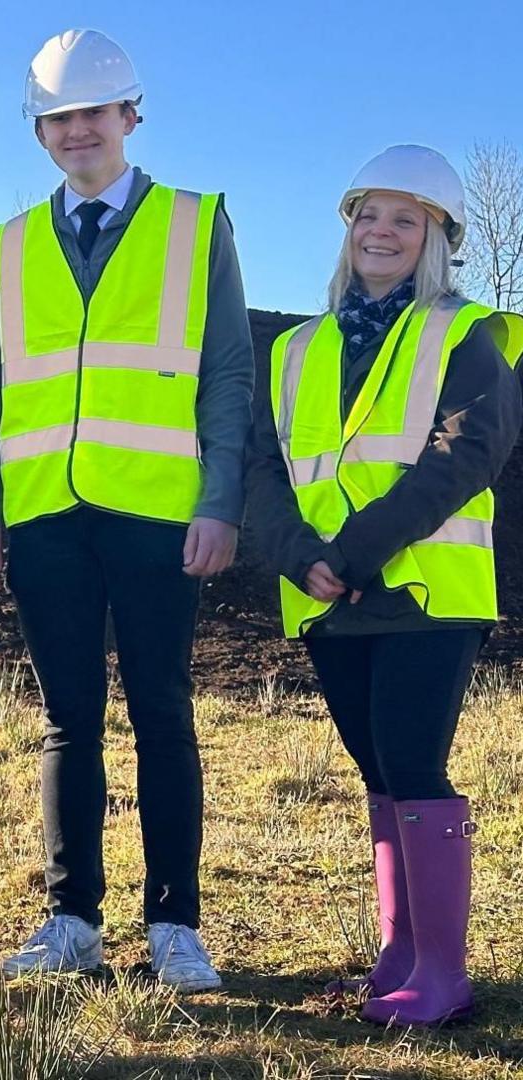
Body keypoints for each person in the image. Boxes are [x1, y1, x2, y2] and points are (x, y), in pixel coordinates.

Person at [0, 29, 253, 991]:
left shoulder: (196, 223)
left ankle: (175, 925)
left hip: (160, 513)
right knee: (65, 719)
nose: (78, 131)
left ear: (130, 117)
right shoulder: (9, 247)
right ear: (41, 133)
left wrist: (219, 500)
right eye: (59, 118)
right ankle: (72, 919)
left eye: (94, 113)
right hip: (45, 514)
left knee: (163, 713)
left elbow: (228, 374)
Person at [245, 145, 522, 1026]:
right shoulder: (295, 348)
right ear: (348, 228)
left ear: (438, 240)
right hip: (327, 596)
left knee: (413, 763)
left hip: (424, 595)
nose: (382, 232)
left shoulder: (465, 332)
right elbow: (264, 467)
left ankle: (442, 973)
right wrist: (300, 553)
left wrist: (355, 553)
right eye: (370, 215)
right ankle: (400, 955)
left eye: (407, 220)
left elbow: (466, 455)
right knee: (377, 772)